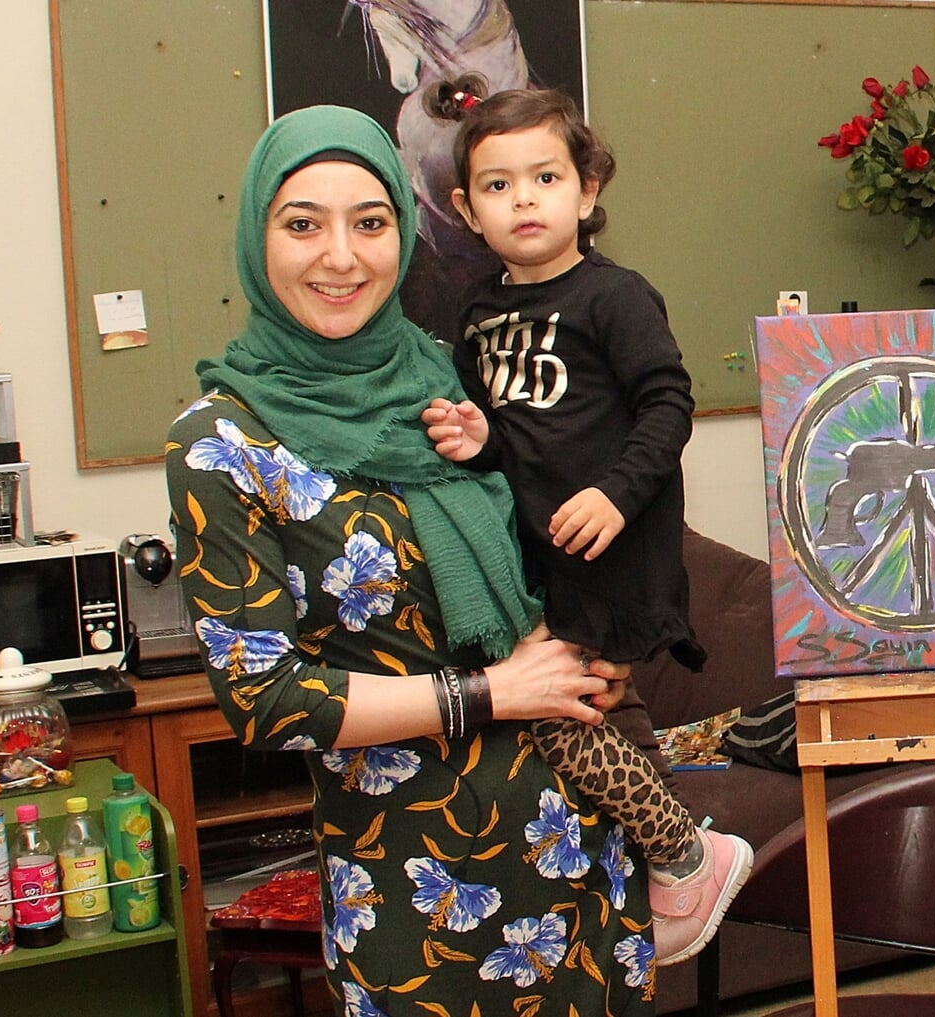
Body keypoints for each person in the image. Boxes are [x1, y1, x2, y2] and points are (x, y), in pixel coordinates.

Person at [165, 104, 659, 1014]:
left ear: (405, 228)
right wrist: (493, 692)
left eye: (371, 221)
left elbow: (557, 515)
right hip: (416, 892)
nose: (341, 256)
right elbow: (267, 702)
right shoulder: (223, 442)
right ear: (255, 237)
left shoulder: (447, 372)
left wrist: (607, 636)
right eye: (302, 223)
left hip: (579, 848)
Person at [420, 85, 751, 967]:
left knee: (565, 707)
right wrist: (476, 434)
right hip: (531, 558)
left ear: (587, 189)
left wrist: (614, 491)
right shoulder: (478, 312)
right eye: (497, 185)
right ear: (465, 209)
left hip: (609, 552)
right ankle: (658, 866)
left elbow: (668, 402)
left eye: (544, 176)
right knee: (594, 713)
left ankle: (686, 850)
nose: (523, 198)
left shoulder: (614, 296)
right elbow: (505, 435)